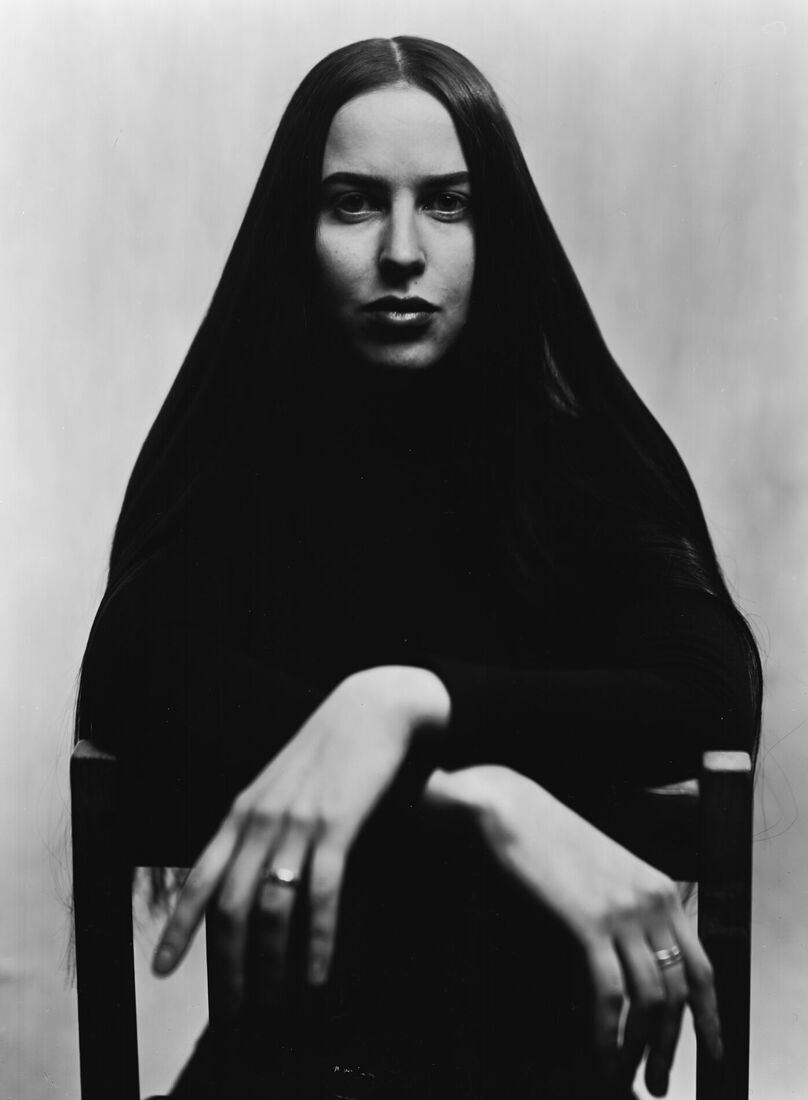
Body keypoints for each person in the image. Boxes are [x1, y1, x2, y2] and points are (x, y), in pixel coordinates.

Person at [74, 35, 761, 1100]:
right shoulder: (244, 475)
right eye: (353, 203)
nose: (403, 250)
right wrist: (480, 799)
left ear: (499, 229)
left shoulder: (572, 466)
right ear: (296, 232)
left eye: (448, 202)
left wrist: (408, 700)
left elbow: (709, 685)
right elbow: (133, 669)